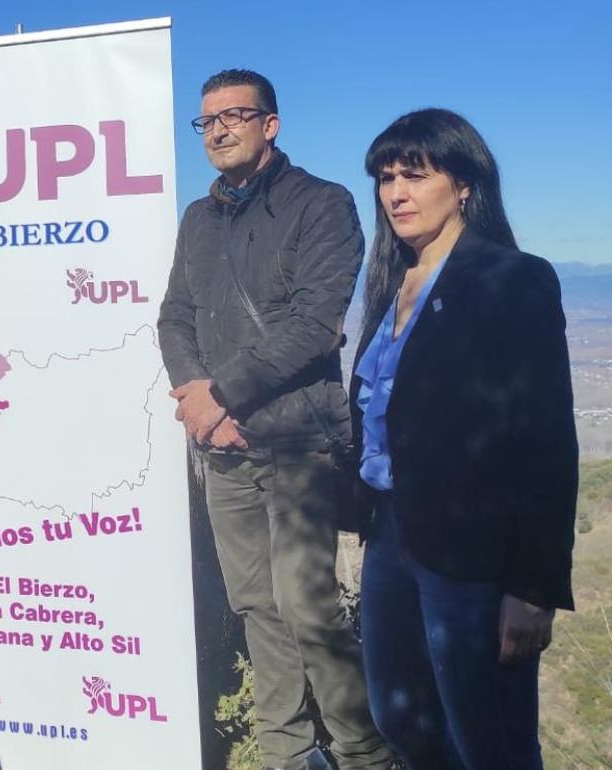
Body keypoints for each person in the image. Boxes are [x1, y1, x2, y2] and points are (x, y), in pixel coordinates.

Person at [158, 69, 391, 770]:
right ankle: (289, 751)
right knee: (258, 606)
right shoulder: (198, 220)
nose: (219, 130)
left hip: (297, 443)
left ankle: (363, 753)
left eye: (235, 115)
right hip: (222, 446)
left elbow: (314, 325)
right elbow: (175, 316)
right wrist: (199, 404)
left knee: (309, 607)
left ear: (271, 124)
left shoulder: (323, 205)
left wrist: (219, 396)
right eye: (207, 121)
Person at [352, 108, 576, 770]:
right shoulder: (391, 282)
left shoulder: (511, 279)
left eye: (415, 176)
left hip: (474, 552)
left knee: (490, 740)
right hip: (390, 532)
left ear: (465, 184)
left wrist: (534, 588)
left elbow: (545, 439)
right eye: (387, 178)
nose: (396, 193)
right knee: (400, 716)